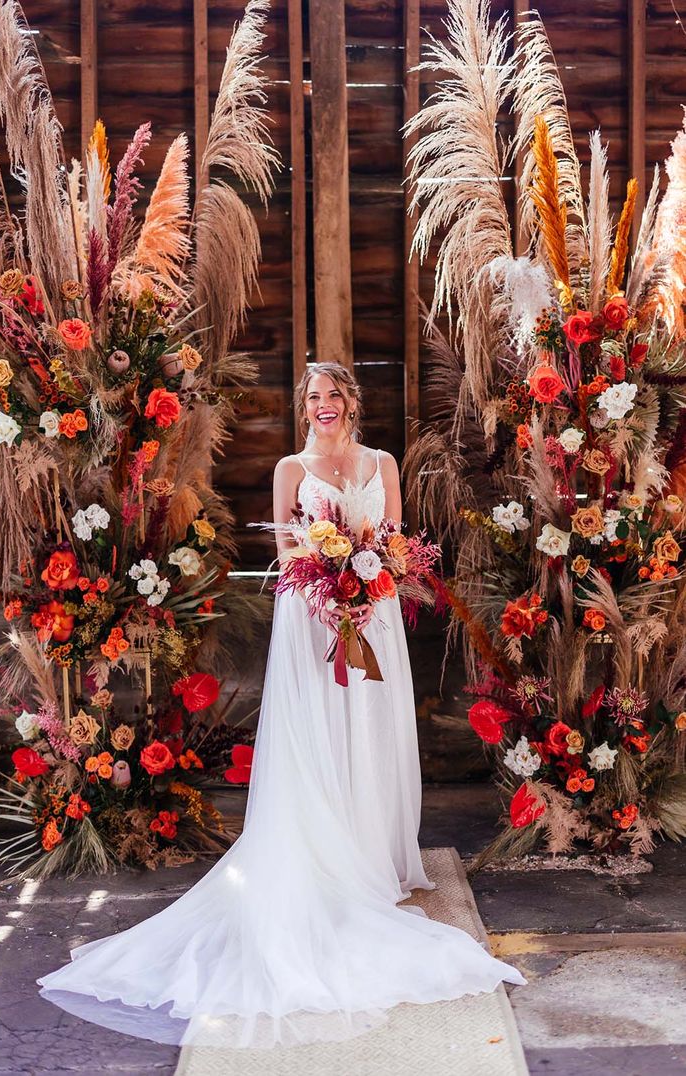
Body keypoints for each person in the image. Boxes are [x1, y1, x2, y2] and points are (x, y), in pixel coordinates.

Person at [38, 362, 525, 1048]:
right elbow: (288, 544)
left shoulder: (381, 461)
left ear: (352, 401)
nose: (323, 407)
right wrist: (332, 577)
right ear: (304, 409)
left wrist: (371, 573)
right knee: (323, 730)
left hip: (374, 610)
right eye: (313, 399)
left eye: (333, 396)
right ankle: (328, 850)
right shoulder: (292, 468)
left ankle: (374, 852)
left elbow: (394, 539)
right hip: (313, 614)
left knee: (371, 729)